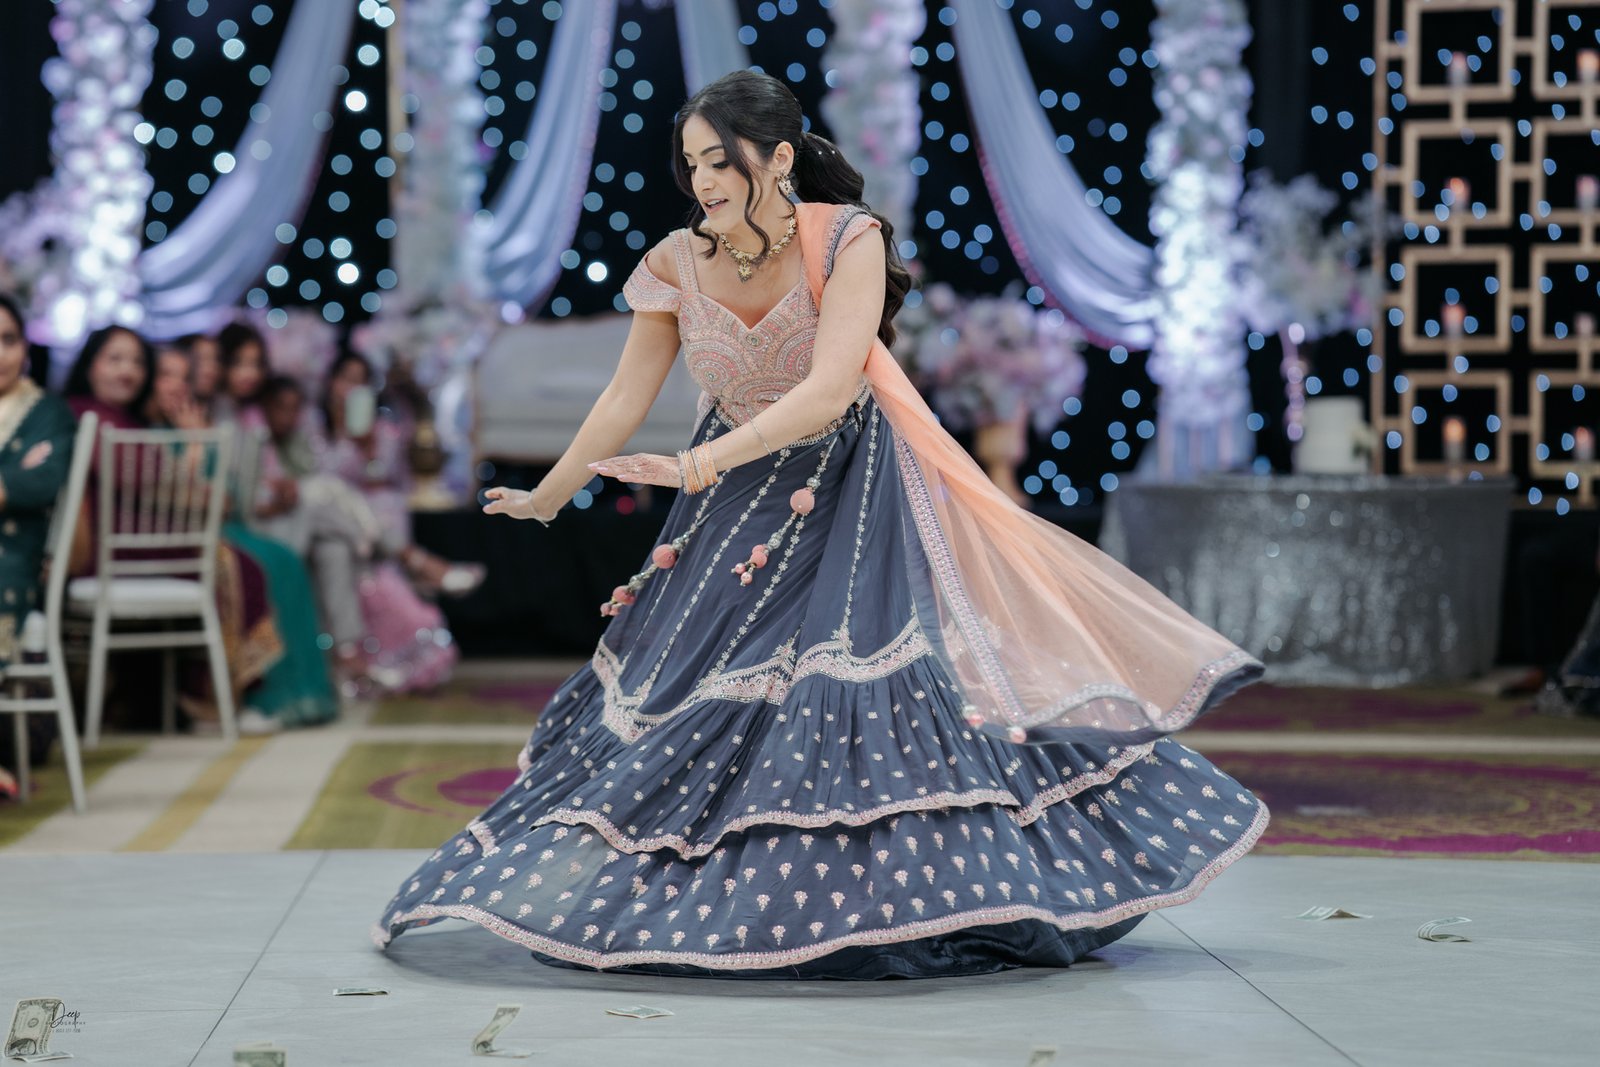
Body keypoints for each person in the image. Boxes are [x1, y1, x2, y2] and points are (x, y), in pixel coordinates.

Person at [373, 71, 1268, 978]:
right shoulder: (676, 261)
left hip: (846, 481)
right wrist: (550, 492)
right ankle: (723, 895)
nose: (704, 181)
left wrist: (696, 463)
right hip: (730, 495)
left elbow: (834, 388)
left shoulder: (848, 239)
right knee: (697, 685)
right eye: (691, 164)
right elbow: (621, 396)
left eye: (721, 160)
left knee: (846, 684)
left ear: (781, 157)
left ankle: (908, 899)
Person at [62, 325, 283, 734]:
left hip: (135, 547)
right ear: (89, 365)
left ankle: (208, 701)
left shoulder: (121, 420)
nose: (127, 370)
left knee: (237, 562)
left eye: (135, 362)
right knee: (231, 566)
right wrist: (195, 448)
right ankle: (215, 703)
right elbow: (152, 483)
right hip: (110, 554)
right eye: (114, 359)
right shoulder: (89, 415)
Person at [149, 345, 339, 732]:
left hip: (222, 527)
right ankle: (254, 695)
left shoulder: (198, 424)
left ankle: (295, 698)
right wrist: (197, 449)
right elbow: (181, 499)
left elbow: (225, 498)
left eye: (184, 377)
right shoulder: (149, 433)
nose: (177, 386)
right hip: (181, 536)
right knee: (263, 565)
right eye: (166, 375)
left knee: (285, 559)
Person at [256, 375, 458, 694]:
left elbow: (378, 474)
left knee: (334, 547)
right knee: (322, 489)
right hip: (273, 527)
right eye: (281, 408)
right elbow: (252, 500)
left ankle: (347, 654)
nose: (289, 416)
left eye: (295, 409)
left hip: (319, 527)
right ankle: (403, 553)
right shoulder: (261, 437)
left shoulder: (308, 440)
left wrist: (363, 445)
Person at [0, 294, 76, 800]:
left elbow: (43, 484)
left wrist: (15, 486)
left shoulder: (47, 412)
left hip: (14, 566)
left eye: (7, 339)